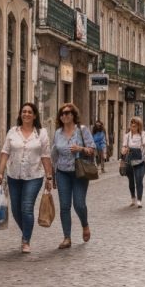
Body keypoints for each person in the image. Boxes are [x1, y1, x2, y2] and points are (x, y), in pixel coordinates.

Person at [0, 102, 54, 254]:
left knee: (27, 208)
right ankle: (26, 232)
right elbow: (5, 153)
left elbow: (46, 156)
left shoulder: (41, 133)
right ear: (20, 114)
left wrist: (49, 177)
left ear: (34, 115)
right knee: (16, 210)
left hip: (34, 176)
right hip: (13, 175)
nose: (26, 114)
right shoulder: (13, 132)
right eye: (24, 111)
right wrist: (0, 173)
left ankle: (26, 240)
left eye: (29, 112)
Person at [50, 103, 95, 249]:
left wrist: (80, 148)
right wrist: (51, 174)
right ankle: (67, 237)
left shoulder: (82, 130)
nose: (65, 115)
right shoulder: (57, 133)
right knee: (64, 206)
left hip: (79, 172)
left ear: (73, 115)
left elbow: (92, 150)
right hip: (62, 172)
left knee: (79, 204)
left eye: (68, 113)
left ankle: (85, 224)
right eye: (62, 113)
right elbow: (54, 154)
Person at [121, 116, 145, 208]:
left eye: (135, 125)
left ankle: (139, 200)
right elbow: (124, 147)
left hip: (141, 162)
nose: (132, 127)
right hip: (129, 161)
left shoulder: (144, 135)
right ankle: (133, 198)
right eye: (131, 125)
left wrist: (135, 147)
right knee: (131, 181)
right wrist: (124, 150)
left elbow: (144, 145)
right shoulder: (127, 136)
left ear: (139, 126)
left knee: (139, 180)